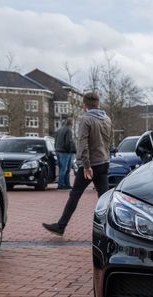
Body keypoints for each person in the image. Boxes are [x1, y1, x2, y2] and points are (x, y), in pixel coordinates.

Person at [43, 92, 111, 235]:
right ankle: (109, 229)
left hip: (91, 165)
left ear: (84, 104)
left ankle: (61, 226)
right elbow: (107, 142)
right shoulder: (107, 119)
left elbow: (83, 143)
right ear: (97, 104)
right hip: (104, 162)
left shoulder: (86, 119)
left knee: (75, 194)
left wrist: (86, 165)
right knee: (104, 198)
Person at [54, 118, 75, 190]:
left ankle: (65, 184)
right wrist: (70, 150)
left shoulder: (59, 130)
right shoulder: (69, 130)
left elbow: (55, 141)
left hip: (58, 151)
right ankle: (63, 185)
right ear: (71, 123)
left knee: (62, 169)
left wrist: (56, 149)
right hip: (65, 152)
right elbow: (68, 142)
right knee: (66, 169)